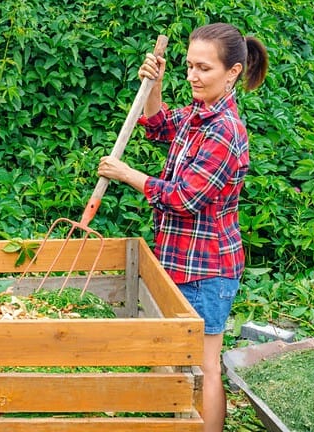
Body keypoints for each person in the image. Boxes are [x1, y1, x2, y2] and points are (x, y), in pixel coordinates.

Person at [97, 23, 268, 432]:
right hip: (178, 259)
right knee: (174, 356)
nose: (193, 76)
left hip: (207, 270)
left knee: (205, 366)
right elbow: (157, 124)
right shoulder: (197, 114)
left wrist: (127, 174)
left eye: (204, 68)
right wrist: (154, 85)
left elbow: (184, 199)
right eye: (189, 66)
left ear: (232, 72)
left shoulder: (224, 130)